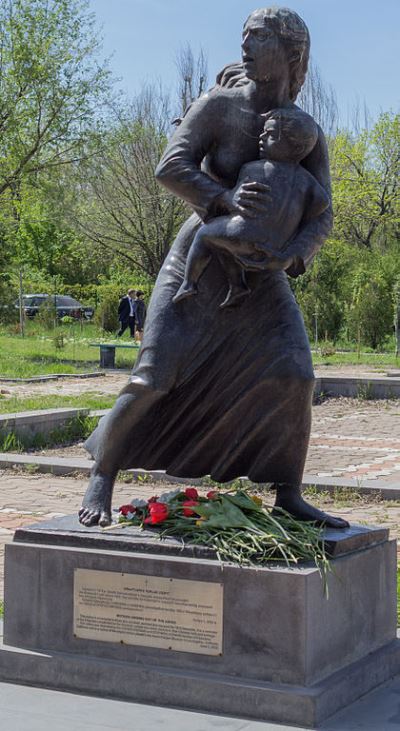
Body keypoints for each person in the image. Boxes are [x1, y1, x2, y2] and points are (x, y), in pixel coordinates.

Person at [79, 6, 348, 530]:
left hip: (262, 270)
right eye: (243, 38)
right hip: (200, 260)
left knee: (294, 373)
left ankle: (288, 492)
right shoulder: (220, 106)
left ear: (291, 54)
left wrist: (292, 255)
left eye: (259, 38)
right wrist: (222, 197)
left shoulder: (306, 132)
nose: (245, 47)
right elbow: (170, 166)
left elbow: (324, 211)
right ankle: (103, 473)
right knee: (155, 375)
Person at [173, 107, 329, 308]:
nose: (262, 138)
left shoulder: (253, 168)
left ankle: (189, 283)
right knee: (225, 244)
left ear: (294, 147)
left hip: (244, 231)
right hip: (275, 243)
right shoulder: (307, 181)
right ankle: (238, 286)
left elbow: (235, 201)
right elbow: (322, 203)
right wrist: (294, 214)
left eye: (271, 134)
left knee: (206, 235)